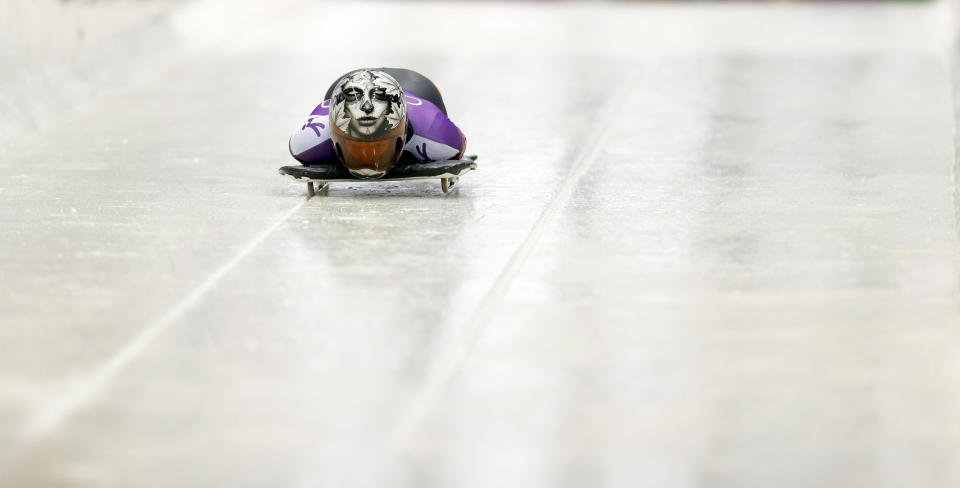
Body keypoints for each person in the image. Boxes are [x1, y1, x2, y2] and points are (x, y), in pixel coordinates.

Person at [289, 68, 467, 179]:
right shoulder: (308, 139)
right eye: (355, 147)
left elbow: (460, 142)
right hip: (348, 85)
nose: (368, 159)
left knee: (433, 96)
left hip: (416, 86)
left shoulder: (435, 132)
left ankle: (436, 92)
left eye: (380, 146)